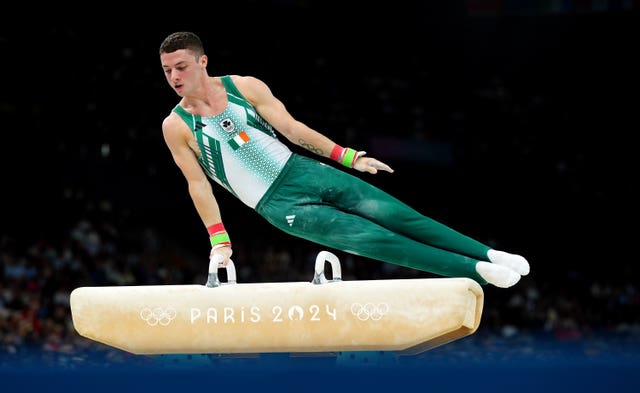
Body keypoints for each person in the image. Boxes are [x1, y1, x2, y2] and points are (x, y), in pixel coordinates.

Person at [159, 31, 530, 288]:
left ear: (202, 61)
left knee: (399, 216)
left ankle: (489, 252)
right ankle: (478, 270)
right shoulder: (176, 125)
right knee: (378, 240)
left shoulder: (245, 87)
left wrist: (348, 158)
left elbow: (294, 129)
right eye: (167, 70)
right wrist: (219, 239)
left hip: (302, 170)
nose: (174, 76)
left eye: (181, 66)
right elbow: (198, 184)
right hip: (279, 204)